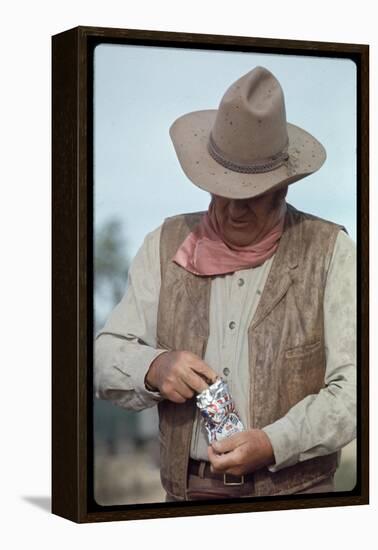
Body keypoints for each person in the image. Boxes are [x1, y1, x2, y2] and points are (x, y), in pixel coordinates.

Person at [94, 66, 356, 501]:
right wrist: (154, 367)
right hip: (188, 497)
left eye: (250, 197)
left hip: (298, 501)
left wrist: (276, 442)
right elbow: (100, 357)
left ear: (282, 190)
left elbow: (357, 391)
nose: (233, 210)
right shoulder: (162, 245)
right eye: (222, 191)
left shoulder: (331, 252)